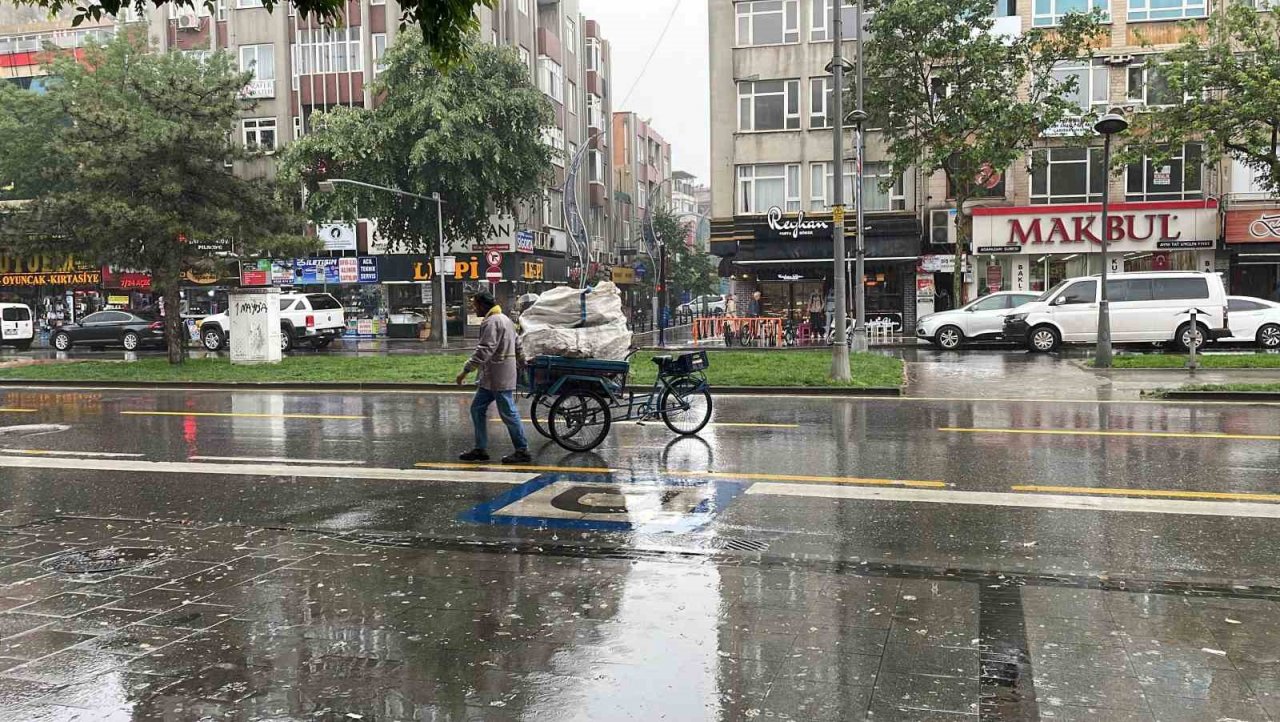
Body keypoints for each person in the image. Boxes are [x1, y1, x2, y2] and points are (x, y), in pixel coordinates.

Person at [455, 291, 531, 464]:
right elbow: (518, 344)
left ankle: (522, 450)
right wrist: (523, 362)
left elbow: (484, 350)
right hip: (492, 378)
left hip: (499, 377)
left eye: (475, 305)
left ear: (482, 305)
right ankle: (480, 449)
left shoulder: (492, 322)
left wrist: (465, 370)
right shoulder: (505, 319)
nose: (474, 308)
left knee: (508, 413)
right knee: (477, 408)